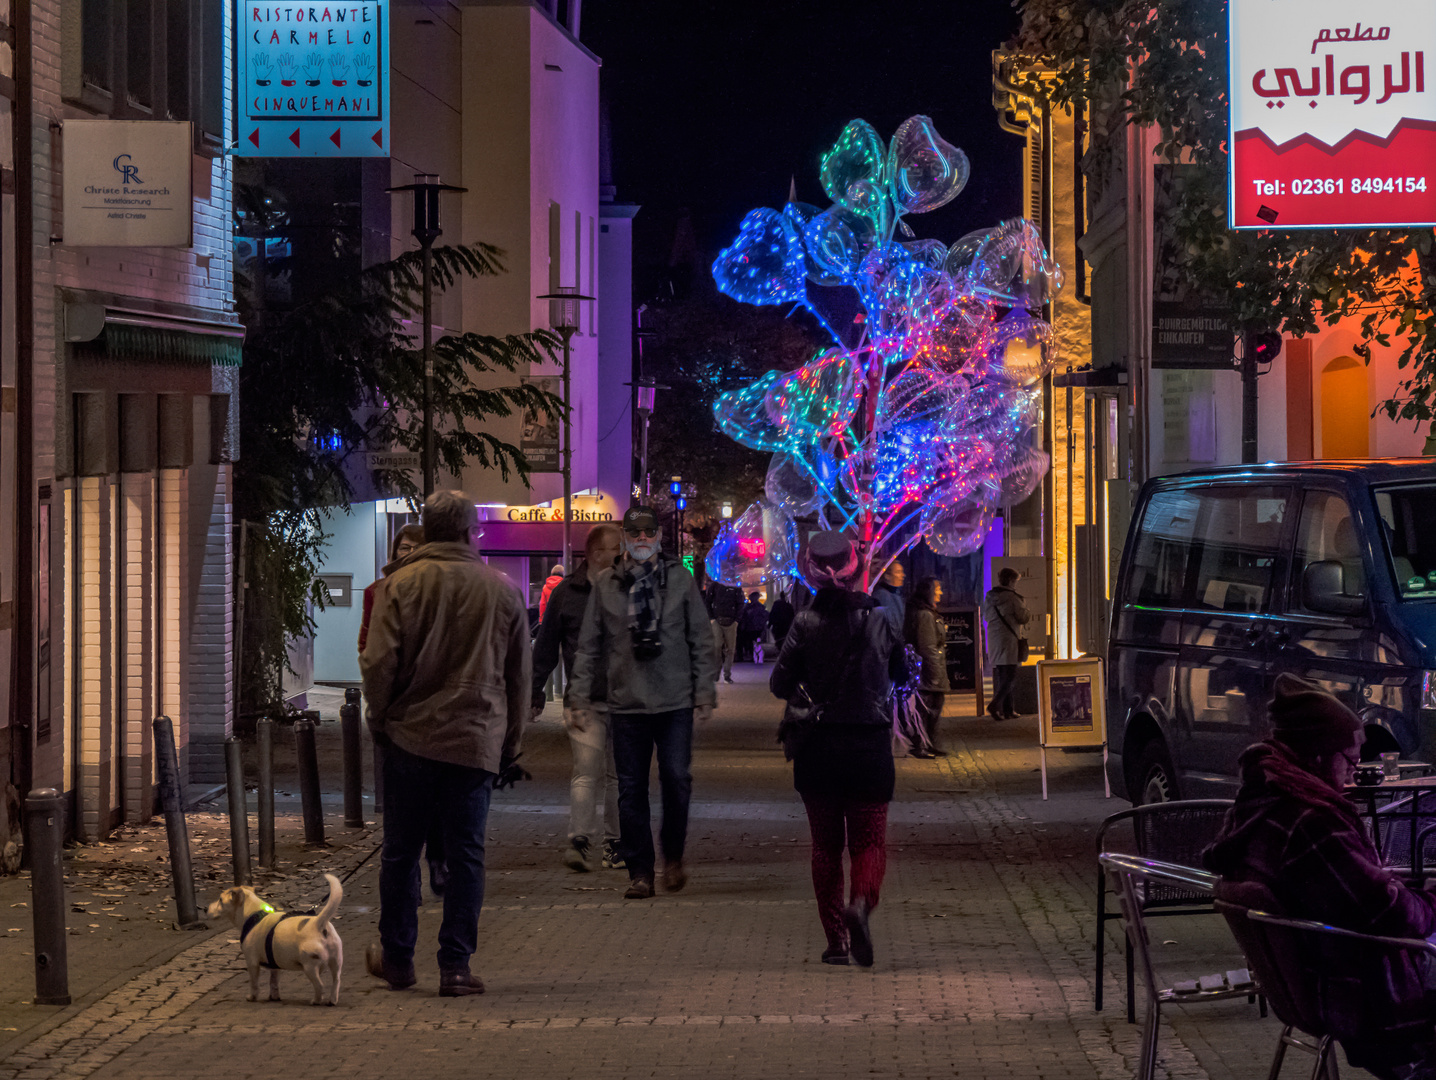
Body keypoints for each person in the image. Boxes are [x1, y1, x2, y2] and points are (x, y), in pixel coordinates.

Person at [1204, 674, 1436, 1079]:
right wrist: (1430, 900)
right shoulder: (1309, 820)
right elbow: (1389, 914)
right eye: (1349, 759)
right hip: (1359, 987)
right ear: (1317, 755)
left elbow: (1357, 893)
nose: (1352, 773)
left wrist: (1411, 891)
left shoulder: (1260, 804)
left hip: (1319, 976)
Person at [360, 490, 531, 997]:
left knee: (400, 853)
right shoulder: (501, 590)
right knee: (466, 856)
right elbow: (518, 676)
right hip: (475, 739)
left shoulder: (399, 585)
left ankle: (398, 958)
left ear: (428, 530)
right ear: (467, 532)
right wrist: (510, 742)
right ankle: (455, 964)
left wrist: (381, 718)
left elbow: (378, 662)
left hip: (409, 737)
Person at [770, 532, 905, 968]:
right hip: (869, 745)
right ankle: (862, 903)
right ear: (854, 567)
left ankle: (836, 941)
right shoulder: (881, 619)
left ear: (810, 570)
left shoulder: (805, 622)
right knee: (869, 841)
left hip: (818, 747)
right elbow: (902, 673)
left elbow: (778, 684)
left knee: (825, 847)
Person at [569, 505, 718, 900]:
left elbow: (701, 640)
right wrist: (579, 695)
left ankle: (673, 858)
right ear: (624, 540)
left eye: (647, 533)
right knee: (630, 790)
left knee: (676, 780)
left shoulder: (681, 581)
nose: (640, 540)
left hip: (674, 702)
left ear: (658, 537)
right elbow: (588, 647)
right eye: (632, 534)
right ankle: (640, 872)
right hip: (627, 703)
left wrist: (704, 692)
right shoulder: (606, 585)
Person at [357, 523, 447, 896]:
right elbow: (368, 644)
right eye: (402, 548)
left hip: (432, 708)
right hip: (395, 709)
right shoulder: (377, 592)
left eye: (415, 548)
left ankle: (438, 859)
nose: (406, 554)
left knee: (435, 795)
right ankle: (408, 884)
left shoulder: (439, 592)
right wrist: (377, 704)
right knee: (399, 807)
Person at [531, 524, 625, 873]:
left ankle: (615, 843)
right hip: (584, 700)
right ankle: (581, 840)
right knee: (587, 773)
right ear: (595, 553)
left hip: (626, 698)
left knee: (619, 776)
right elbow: (547, 645)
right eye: (616, 546)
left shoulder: (627, 586)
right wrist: (535, 691)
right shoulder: (568, 593)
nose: (622, 552)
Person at [358, 524, 424, 653]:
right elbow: (366, 642)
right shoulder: (375, 591)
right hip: (391, 667)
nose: (412, 553)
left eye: (418, 547)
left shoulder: (442, 586)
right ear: (395, 553)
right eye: (405, 548)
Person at [904, 577, 950, 757]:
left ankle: (929, 743)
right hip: (928, 672)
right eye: (937, 589)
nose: (940, 592)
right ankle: (921, 745)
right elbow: (928, 647)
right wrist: (935, 674)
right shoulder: (925, 615)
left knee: (932, 709)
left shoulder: (928, 612)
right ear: (928, 591)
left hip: (930, 670)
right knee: (927, 709)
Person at [983, 567, 1031, 721]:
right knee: (1010, 676)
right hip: (1009, 640)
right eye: (1015, 581)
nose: (1015, 584)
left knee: (1002, 674)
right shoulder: (1013, 598)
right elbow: (1023, 617)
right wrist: (1027, 610)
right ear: (1010, 580)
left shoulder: (989, 597)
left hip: (995, 640)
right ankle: (995, 705)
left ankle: (1008, 710)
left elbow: (986, 616)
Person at [707, 580, 744, 683]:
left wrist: (736, 620)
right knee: (717, 646)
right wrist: (712, 618)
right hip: (717, 621)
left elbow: (741, 604)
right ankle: (717, 673)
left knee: (730, 649)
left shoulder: (736, 586)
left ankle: (727, 675)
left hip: (730, 621)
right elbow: (708, 601)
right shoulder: (715, 585)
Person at [872, 560, 906, 632]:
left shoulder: (896, 595)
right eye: (898, 572)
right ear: (887, 576)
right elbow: (891, 626)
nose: (903, 575)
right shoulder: (882, 596)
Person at [738, 591, 769, 663]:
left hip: (755, 627)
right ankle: (752, 654)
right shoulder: (749, 607)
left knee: (754, 641)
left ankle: (754, 655)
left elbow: (764, 616)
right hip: (750, 627)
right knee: (750, 641)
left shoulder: (757, 607)